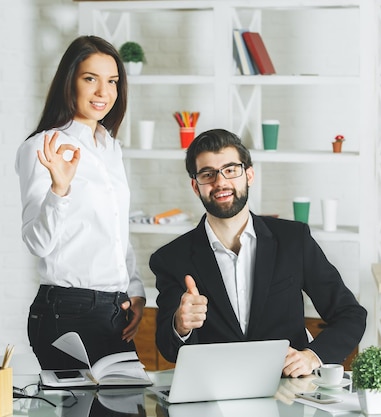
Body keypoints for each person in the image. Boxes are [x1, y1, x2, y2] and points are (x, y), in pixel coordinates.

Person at [149, 129, 367, 377]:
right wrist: (180, 325)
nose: (220, 182)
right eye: (207, 174)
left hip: (287, 389)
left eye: (231, 170)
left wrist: (313, 356)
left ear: (249, 175)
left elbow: (351, 314)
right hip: (214, 392)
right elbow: (168, 348)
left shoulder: (293, 240)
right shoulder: (171, 259)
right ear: (195, 186)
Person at [15, 35, 145, 370]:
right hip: (68, 309)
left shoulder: (109, 147)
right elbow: (37, 242)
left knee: (125, 407)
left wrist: (135, 290)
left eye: (112, 81)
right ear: (68, 82)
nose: (104, 93)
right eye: (91, 79)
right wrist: (60, 188)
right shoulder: (44, 147)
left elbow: (115, 233)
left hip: (115, 309)